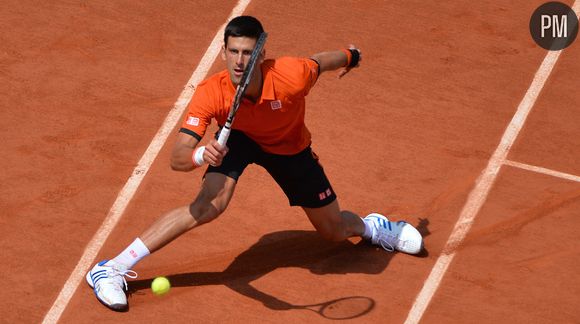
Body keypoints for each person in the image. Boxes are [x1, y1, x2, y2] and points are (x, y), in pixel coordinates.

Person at [86, 15, 423, 312]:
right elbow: (177, 157)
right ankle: (112, 268)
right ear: (223, 52)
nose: (238, 61)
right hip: (239, 139)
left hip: (289, 146)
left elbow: (320, 62)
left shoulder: (291, 74)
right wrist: (202, 154)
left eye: (247, 53)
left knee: (333, 231)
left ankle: (373, 227)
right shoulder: (211, 92)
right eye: (233, 51)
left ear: (261, 55)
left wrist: (352, 56)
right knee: (207, 206)